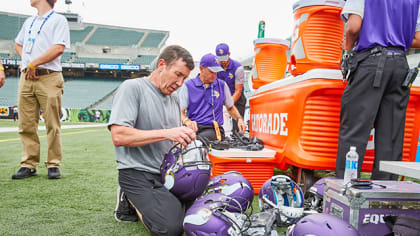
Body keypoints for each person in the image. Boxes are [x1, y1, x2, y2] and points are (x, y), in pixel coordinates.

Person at [109, 45, 196, 236]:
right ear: (162, 65)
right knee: (170, 229)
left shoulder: (174, 99)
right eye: (178, 74)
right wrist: (167, 133)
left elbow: (171, 139)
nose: (180, 83)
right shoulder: (132, 88)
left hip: (165, 172)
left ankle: (159, 202)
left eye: (185, 78)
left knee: (197, 210)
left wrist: (182, 139)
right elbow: (119, 136)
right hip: (137, 171)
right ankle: (128, 197)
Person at [336, 0, 420, 180]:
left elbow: (353, 26)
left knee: (354, 132)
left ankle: (346, 192)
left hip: (371, 63)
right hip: (400, 66)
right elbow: (418, 38)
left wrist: (349, 45)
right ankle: (385, 200)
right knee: (390, 137)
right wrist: (395, 38)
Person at [11, 0, 70, 180]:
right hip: (27, 76)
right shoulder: (29, 21)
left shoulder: (58, 19)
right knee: (26, 123)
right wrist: (28, 63)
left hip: (49, 76)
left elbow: (59, 47)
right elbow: (18, 44)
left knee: (52, 123)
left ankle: (53, 163)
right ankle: (29, 163)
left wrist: (33, 63)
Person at [179, 53, 246, 141]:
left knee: (197, 141)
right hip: (193, 129)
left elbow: (230, 107)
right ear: (201, 69)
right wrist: (186, 121)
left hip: (213, 129)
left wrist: (239, 119)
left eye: (216, 71)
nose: (215, 75)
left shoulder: (222, 85)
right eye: (211, 71)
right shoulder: (188, 86)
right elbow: (180, 112)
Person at [215, 43, 246, 133]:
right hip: (222, 97)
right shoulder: (215, 68)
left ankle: (239, 137)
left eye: (224, 58)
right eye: (220, 59)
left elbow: (238, 90)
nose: (223, 62)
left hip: (237, 97)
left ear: (229, 54)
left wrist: (229, 105)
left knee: (238, 128)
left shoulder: (238, 68)